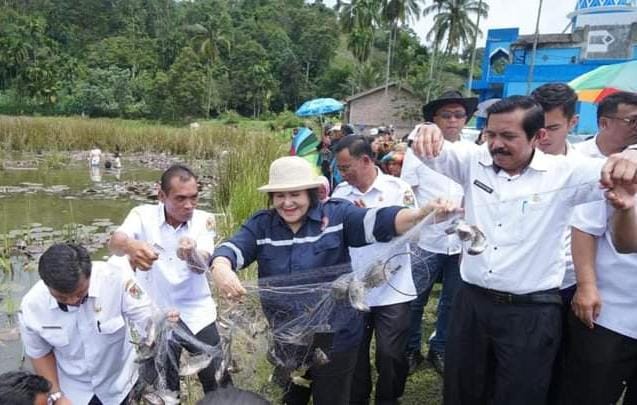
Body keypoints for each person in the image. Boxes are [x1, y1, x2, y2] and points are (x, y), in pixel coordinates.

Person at [410, 95, 637, 404]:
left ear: (538, 136)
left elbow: (615, 169)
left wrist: (632, 155)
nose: (497, 144)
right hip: (472, 304)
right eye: (491, 135)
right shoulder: (472, 161)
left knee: (520, 394)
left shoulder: (567, 172)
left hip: (531, 312)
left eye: (509, 136)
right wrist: (425, 129)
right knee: (462, 390)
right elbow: (428, 147)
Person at [210, 156, 456, 405]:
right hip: (287, 334)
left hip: (334, 334)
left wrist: (420, 215)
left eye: (295, 194)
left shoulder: (337, 215)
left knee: (331, 396)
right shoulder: (262, 226)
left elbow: (378, 221)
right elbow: (234, 247)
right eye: (279, 196)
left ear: (311, 193)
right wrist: (222, 266)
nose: (287, 203)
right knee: (290, 396)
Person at [108, 164, 222, 397]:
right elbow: (116, 241)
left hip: (196, 311)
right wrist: (132, 247)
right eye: (180, 199)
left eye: (194, 198)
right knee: (164, 389)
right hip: (155, 314)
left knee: (217, 378)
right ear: (161, 196)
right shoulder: (142, 215)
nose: (188, 205)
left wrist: (190, 254)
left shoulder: (205, 220)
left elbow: (202, 266)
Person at [331, 136, 417, 405]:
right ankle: (358, 399)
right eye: (340, 169)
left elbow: (415, 234)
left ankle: (389, 398)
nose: (342, 174)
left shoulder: (397, 189)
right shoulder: (340, 195)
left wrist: (373, 220)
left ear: (366, 160)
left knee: (390, 354)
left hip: (393, 288)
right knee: (354, 354)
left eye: (346, 168)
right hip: (356, 288)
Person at [18, 243, 157, 405]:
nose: (73, 301)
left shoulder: (116, 278)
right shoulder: (32, 306)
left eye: (80, 293)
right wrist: (56, 395)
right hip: (73, 391)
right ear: (47, 285)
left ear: (89, 275)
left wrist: (161, 325)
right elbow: (40, 353)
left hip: (120, 383)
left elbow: (148, 319)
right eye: (62, 298)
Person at [400, 89, 475, 375]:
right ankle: (410, 349)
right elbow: (407, 193)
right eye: (446, 115)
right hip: (425, 238)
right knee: (415, 298)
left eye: (459, 115)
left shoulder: (473, 152)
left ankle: (440, 347)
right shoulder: (417, 151)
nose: (453, 120)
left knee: (453, 301)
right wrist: (416, 221)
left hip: (461, 240)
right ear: (435, 118)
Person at [530, 82, 582, 403]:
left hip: (568, 283)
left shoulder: (586, 169)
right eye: (538, 128)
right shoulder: (510, 164)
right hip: (525, 286)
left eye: (553, 127)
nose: (544, 137)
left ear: (572, 123)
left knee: (561, 362)